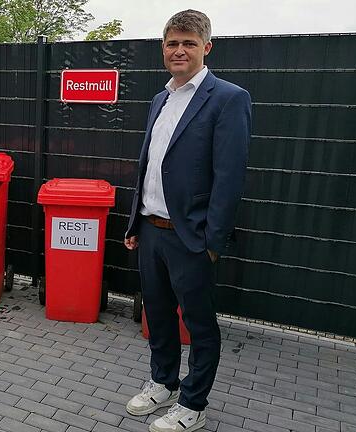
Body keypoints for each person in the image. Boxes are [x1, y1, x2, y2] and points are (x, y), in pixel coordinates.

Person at [123, 10, 251, 432]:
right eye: (172, 43)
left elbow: (229, 177)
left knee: (198, 325)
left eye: (189, 43)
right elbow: (147, 165)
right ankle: (163, 381)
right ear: (163, 48)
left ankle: (193, 403)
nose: (179, 50)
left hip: (191, 238)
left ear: (206, 48)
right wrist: (133, 224)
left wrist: (211, 241)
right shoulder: (160, 99)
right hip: (150, 231)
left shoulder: (228, 98)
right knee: (158, 316)